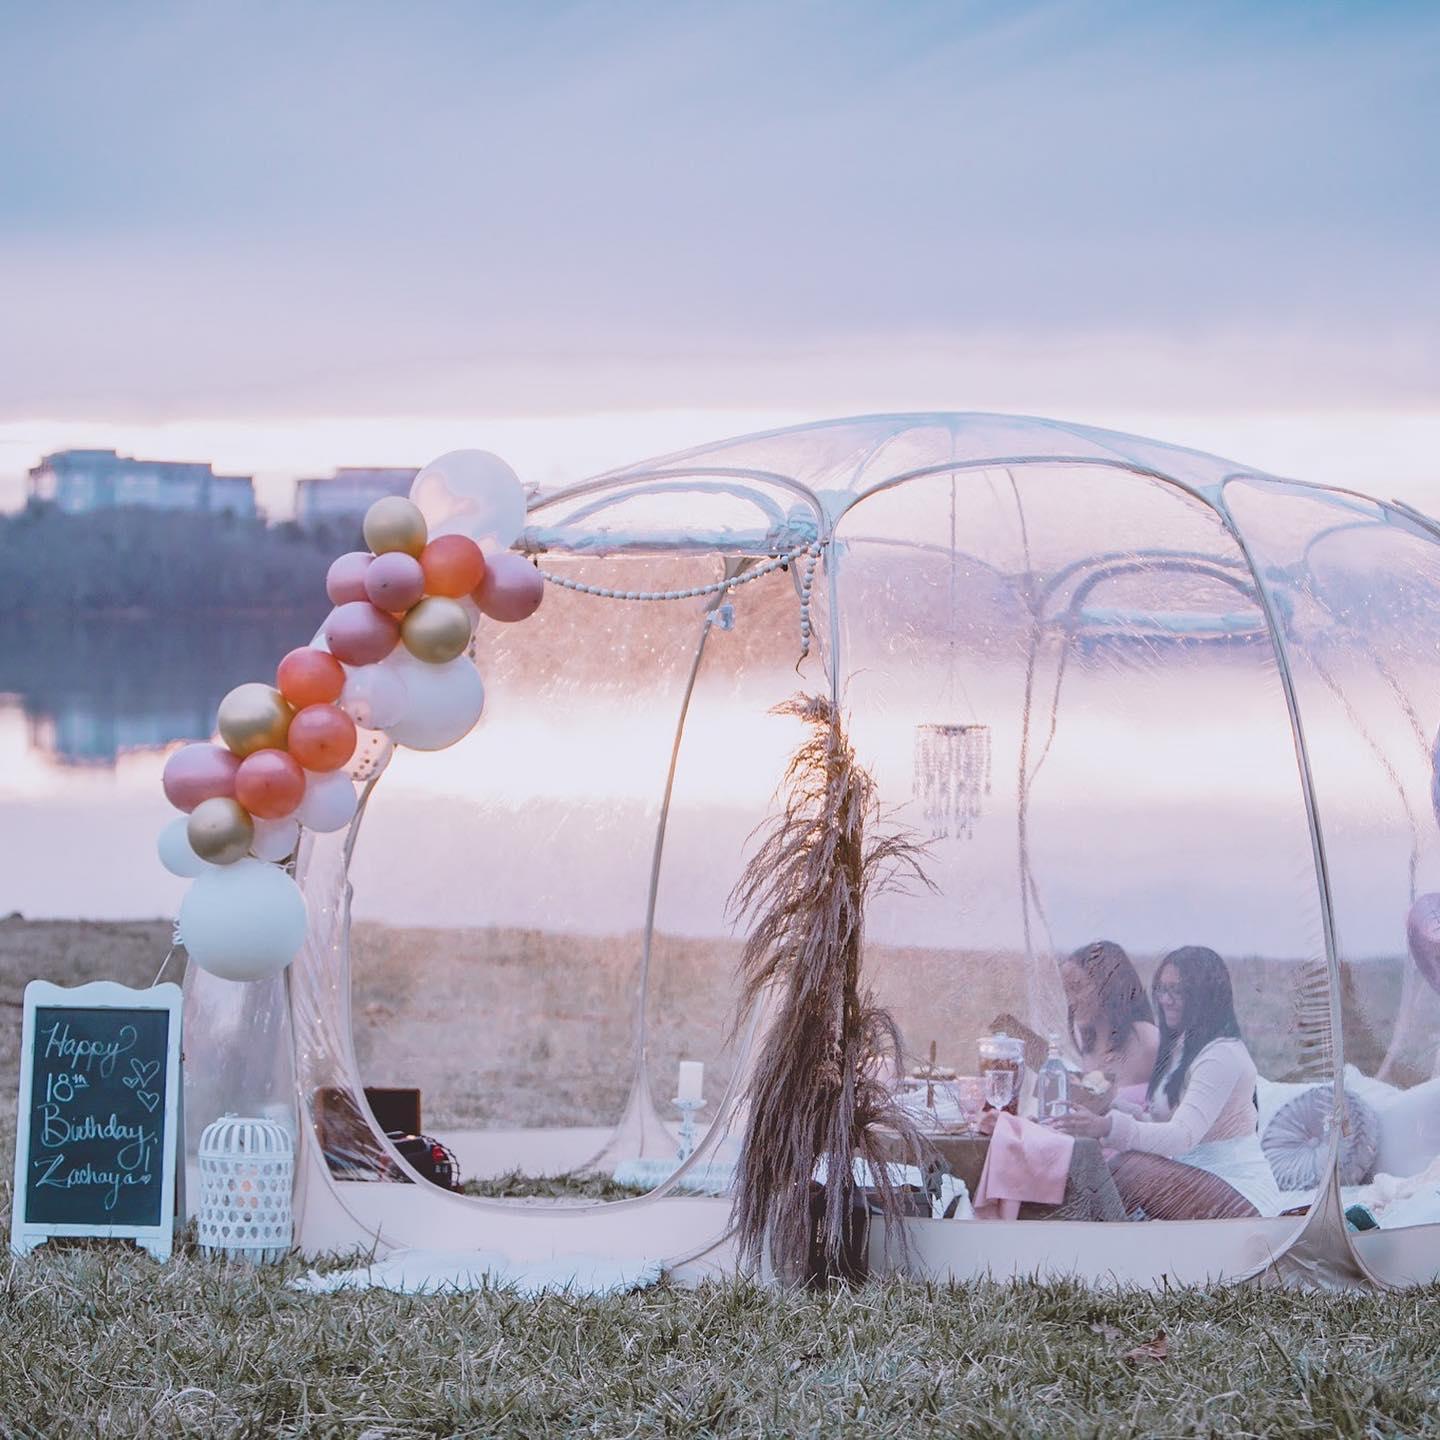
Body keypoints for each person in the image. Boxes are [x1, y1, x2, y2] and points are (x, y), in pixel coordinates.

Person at [1054, 945, 1282, 1220]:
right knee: (1106, 1168)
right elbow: (1160, 1122)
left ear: (1206, 996)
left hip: (1241, 1193)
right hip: (1202, 1180)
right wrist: (1105, 1102)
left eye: (1179, 991)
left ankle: (1082, 1239)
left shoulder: (1221, 1055)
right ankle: (1081, 1235)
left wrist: (1107, 1127)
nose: (1166, 1000)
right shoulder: (1183, 1048)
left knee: (1131, 1168)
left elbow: (1181, 1137)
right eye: (1162, 989)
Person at [1061, 940, 1159, 1094]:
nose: (1070, 1001)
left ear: (1109, 985)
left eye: (1077, 987)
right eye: (1066, 991)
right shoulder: (1082, 1037)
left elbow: (1175, 1106)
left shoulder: (1148, 1040)